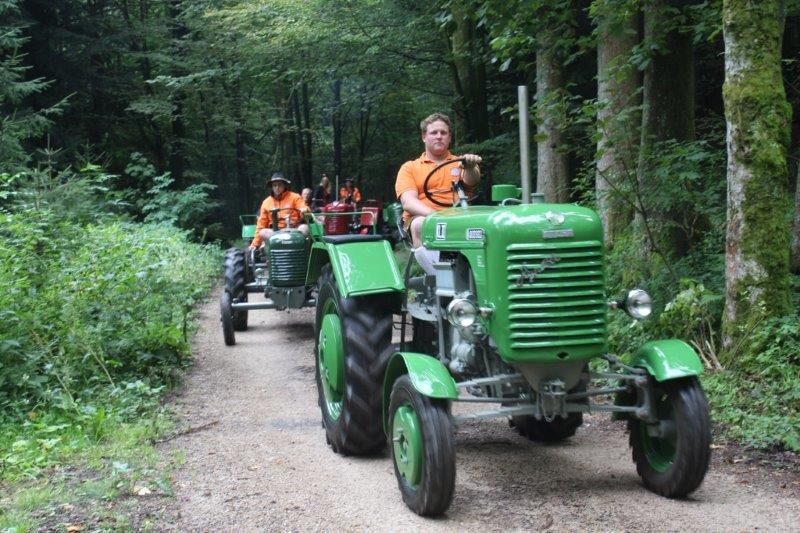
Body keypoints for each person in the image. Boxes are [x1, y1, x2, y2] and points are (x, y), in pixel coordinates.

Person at [395, 112, 481, 274]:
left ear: (449, 137)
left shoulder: (461, 162)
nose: (439, 136)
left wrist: (470, 166)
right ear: (424, 137)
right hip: (425, 219)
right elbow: (408, 202)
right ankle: (442, 277)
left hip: (460, 218)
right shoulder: (410, 168)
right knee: (420, 224)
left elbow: (472, 180)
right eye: (434, 132)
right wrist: (437, 216)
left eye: (443, 132)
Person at [249, 172, 309, 250]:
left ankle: (303, 253)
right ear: (272, 187)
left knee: (304, 228)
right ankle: (269, 251)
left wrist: (304, 211)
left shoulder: (295, 197)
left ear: (284, 185)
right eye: (275, 185)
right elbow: (261, 224)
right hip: (274, 232)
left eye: (280, 185)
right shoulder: (266, 202)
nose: (277, 187)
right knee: (263, 232)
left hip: (294, 229)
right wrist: (254, 244)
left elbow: (304, 207)